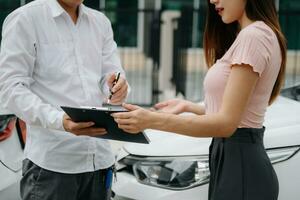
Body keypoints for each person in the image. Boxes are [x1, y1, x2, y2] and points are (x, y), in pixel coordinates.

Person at [112, 0, 286, 199]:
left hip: (241, 168)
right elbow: (240, 112)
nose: (212, 0)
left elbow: (227, 124)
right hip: (236, 164)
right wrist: (190, 107)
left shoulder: (254, 36)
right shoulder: (255, 34)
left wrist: (151, 121)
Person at [0, 0, 129, 199]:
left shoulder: (100, 22)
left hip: (100, 162)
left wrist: (116, 87)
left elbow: (110, 74)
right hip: (51, 168)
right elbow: (10, 89)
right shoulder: (25, 19)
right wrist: (60, 121)